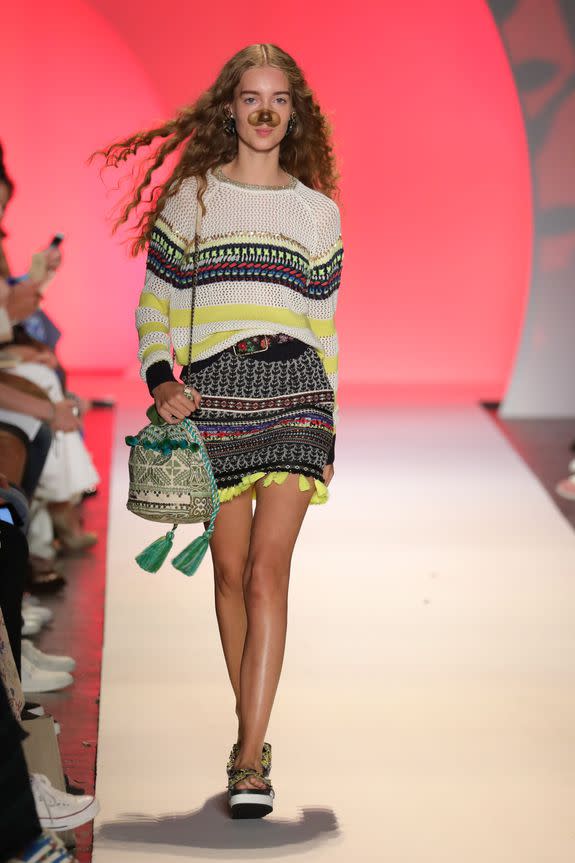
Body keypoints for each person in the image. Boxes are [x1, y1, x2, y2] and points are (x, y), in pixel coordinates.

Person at [93, 43, 343, 819]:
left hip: (296, 389)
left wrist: (328, 415)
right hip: (213, 396)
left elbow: (324, 326)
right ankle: (253, 732)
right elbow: (153, 305)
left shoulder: (317, 212)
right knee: (229, 572)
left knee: (268, 572)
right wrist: (161, 379)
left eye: (277, 98)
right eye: (249, 97)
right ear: (228, 109)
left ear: (293, 111)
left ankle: (248, 759)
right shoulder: (192, 202)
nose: (264, 110)